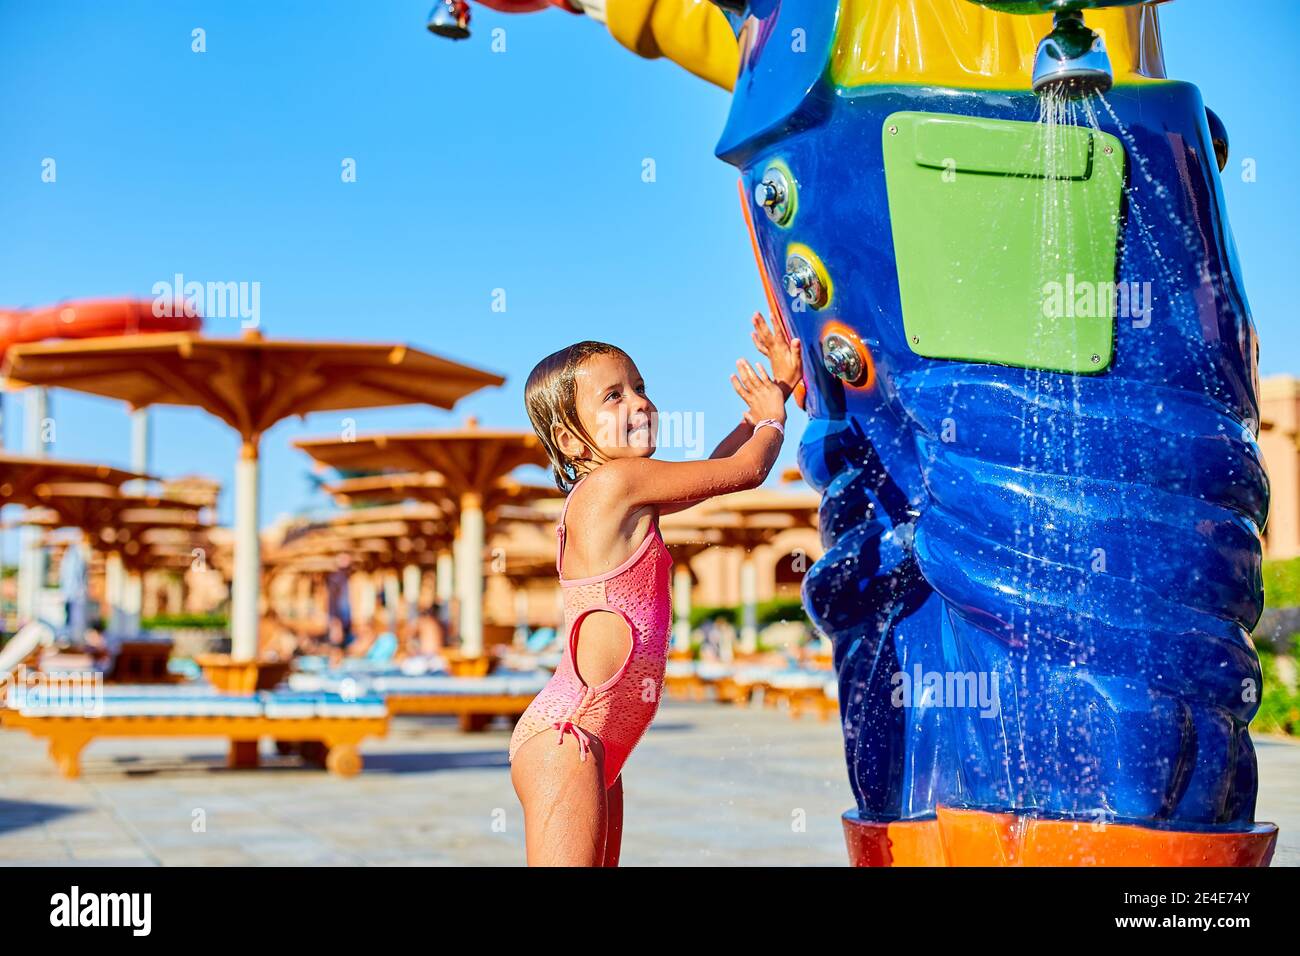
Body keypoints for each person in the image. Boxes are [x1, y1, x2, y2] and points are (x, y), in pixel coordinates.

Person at [508, 314, 802, 866]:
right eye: (613, 397)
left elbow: (716, 468)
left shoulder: (631, 494)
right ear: (572, 440)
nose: (638, 404)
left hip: (596, 744)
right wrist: (771, 420)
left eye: (640, 388)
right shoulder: (615, 484)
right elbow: (745, 471)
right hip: (567, 738)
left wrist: (777, 392)